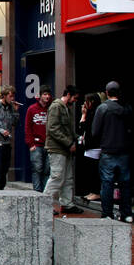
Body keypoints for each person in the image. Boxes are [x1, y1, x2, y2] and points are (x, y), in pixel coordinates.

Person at [91, 81, 133, 221]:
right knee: (125, 183)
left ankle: (107, 213)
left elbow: (95, 131)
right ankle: (127, 213)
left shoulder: (103, 108)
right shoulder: (126, 109)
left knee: (107, 183)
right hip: (124, 150)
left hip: (108, 150)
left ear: (107, 92)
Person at [44, 86, 82, 214]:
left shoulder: (65, 108)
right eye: (75, 98)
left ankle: (67, 204)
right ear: (69, 95)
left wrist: (77, 138)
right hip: (57, 149)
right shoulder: (56, 107)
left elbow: (68, 130)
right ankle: (44, 204)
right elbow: (53, 128)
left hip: (64, 149)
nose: (75, 101)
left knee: (67, 178)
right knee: (57, 177)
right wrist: (69, 142)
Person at [24, 87, 53, 192]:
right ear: (40, 95)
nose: (47, 97)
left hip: (49, 145)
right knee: (37, 168)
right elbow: (27, 127)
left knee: (47, 170)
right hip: (36, 145)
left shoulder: (52, 108)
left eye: (48, 94)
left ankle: (45, 193)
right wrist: (30, 144)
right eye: (45, 94)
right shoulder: (32, 109)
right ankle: (37, 193)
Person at [77, 93, 103, 201]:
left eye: (86, 101)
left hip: (95, 146)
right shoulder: (91, 113)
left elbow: (85, 128)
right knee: (90, 170)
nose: (84, 104)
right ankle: (92, 191)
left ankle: (96, 192)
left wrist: (83, 116)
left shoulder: (95, 113)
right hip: (89, 146)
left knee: (93, 170)